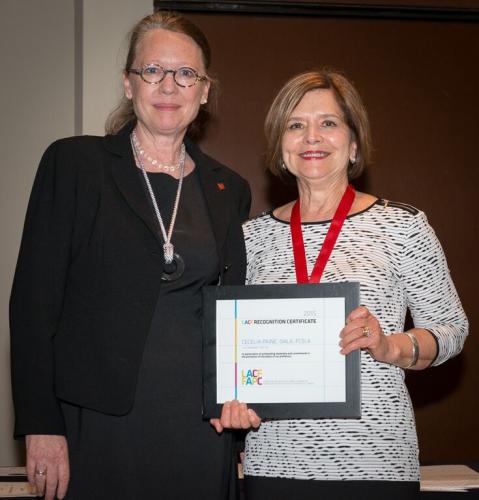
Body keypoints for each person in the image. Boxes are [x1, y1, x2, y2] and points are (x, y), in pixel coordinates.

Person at [10, 11, 250, 500]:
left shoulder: (229, 189)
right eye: (152, 70)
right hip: (97, 424)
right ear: (128, 83)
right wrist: (41, 424)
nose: (169, 85)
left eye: (186, 74)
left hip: (200, 429)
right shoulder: (74, 164)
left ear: (204, 91)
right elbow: (33, 305)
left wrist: (240, 404)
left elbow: (234, 312)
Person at [211, 69, 468, 499]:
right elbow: (229, 348)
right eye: (296, 125)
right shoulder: (249, 238)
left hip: (376, 463)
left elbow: (452, 331)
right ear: (280, 146)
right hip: (274, 462)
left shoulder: (402, 226)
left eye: (328, 123)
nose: (312, 137)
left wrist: (389, 347)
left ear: (353, 143)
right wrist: (230, 400)